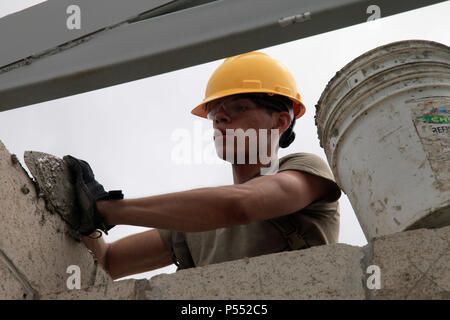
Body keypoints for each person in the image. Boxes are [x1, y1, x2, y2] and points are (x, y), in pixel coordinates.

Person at [65, 52, 341, 280]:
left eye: (239, 107)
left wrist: (106, 209)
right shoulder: (195, 221)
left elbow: (240, 205)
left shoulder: (305, 168)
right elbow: (110, 261)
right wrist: (80, 208)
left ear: (280, 122)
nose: (219, 118)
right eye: (215, 111)